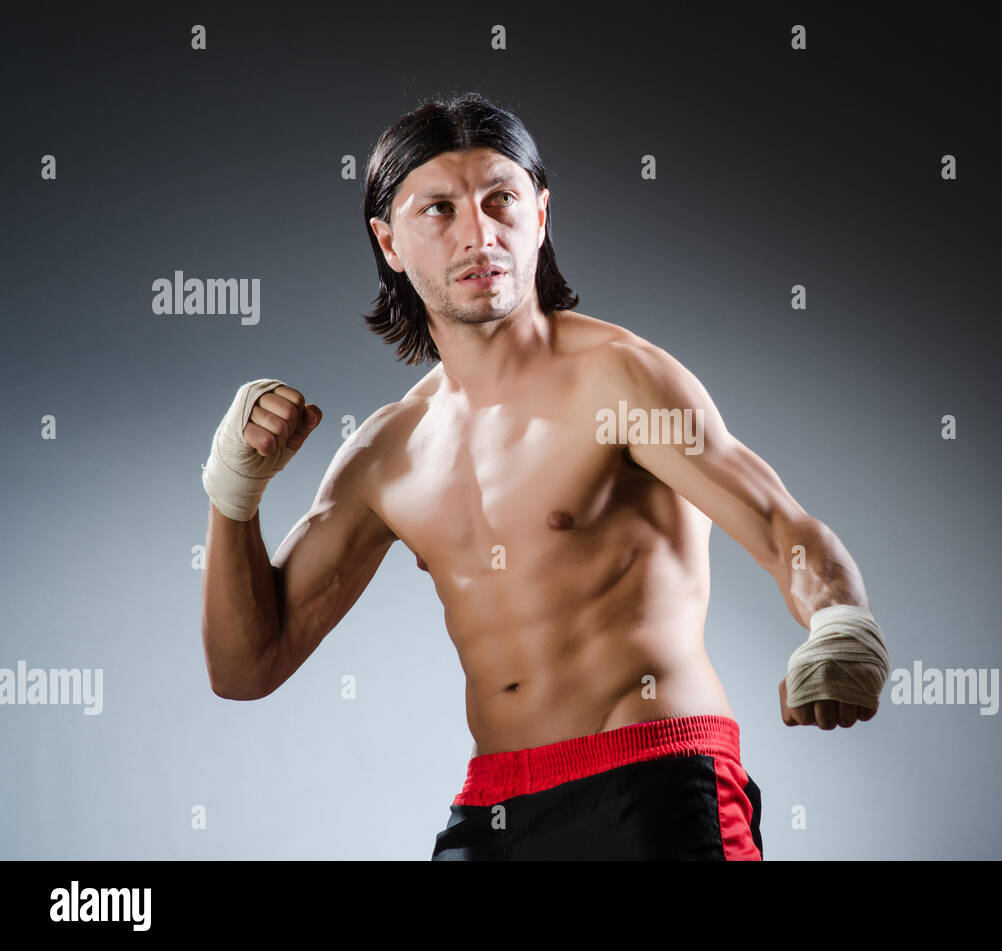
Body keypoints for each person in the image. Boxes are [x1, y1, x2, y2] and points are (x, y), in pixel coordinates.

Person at [199, 92, 889, 861]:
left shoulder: (619, 380)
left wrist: (839, 621)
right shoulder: (388, 452)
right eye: (439, 210)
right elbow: (246, 666)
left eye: (501, 199)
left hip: (655, 777)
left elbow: (779, 526)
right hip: (497, 806)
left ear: (540, 214)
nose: (479, 233)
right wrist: (234, 494)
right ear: (388, 241)